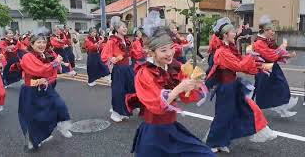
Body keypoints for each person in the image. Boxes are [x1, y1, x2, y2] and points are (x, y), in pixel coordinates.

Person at [126, 24, 215, 157]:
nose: (169, 53)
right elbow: (157, 104)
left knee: (205, 154)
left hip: (171, 128)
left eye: (171, 48)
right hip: (153, 134)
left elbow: (187, 96)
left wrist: (194, 84)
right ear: (151, 53)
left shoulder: (174, 66)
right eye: (163, 50)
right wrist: (180, 88)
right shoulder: (144, 73)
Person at [205, 18, 277, 153]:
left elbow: (242, 63)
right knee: (223, 115)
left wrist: (260, 67)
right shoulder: (221, 52)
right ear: (225, 35)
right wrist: (251, 56)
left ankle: (222, 141)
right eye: (233, 32)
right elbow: (238, 65)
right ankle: (212, 143)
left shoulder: (228, 49)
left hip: (233, 86)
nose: (235, 34)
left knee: (235, 113)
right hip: (226, 88)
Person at [19, 33, 72, 150]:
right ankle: (35, 139)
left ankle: (63, 126)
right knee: (35, 117)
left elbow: (56, 62)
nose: (42, 44)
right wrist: (55, 63)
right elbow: (40, 70)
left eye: (43, 42)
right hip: (32, 91)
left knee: (60, 106)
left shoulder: (47, 53)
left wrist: (62, 63)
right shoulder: (27, 57)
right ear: (32, 45)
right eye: (38, 42)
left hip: (46, 88)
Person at [252, 16, 298, 118]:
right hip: (264, 69)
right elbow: (271, 55)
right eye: (272, 31)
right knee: (263, 91)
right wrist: (282, 49)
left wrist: (287, 54)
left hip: (272, 68)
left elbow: (275, 53)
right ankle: (250, 108)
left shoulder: (267, 41)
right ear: (265, 30)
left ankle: (282, 108)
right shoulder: (259, 42)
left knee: (280, 87)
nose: (273, 33)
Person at [101, 16, 135, 122]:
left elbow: (133, 53)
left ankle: (124, 111)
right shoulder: (112, 41)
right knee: (118, 91)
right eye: (122, 27)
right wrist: (113, 59)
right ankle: (115, 113)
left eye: (125, 27)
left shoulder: (127, 41)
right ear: (117, 28)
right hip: (119, 69)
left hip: (128, 68)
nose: (125, 28)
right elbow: (104, 55)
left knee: (129, 89)